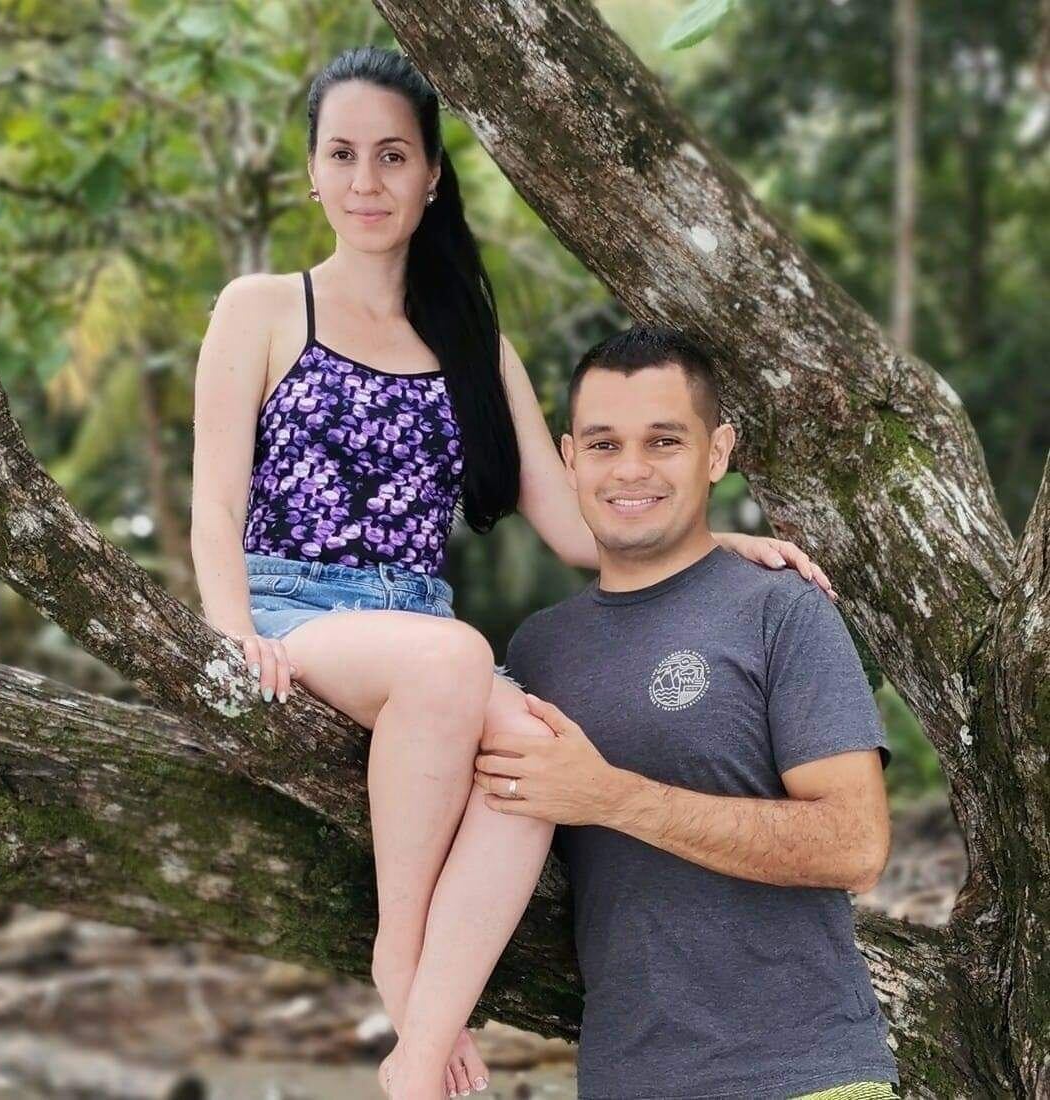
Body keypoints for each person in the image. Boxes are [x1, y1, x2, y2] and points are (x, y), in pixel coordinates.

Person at [190, 46, 835, 1100]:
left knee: (537, 750)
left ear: (432, 174)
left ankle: (417, 1054)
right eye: (343, 155)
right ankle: (401, 955)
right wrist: (232, 634)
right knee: (455, 658)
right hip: (295, 610)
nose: (366, 182)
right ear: (311, 171)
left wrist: (723, 542)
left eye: (392, 156)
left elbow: (578, 527)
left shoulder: (471, 342)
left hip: (420, 636)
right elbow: (213, 501)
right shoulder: (261, 308)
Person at [479, 325, 901, 1099]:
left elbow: (856, 845)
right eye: (604, 445)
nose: (631, 469)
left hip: (805, 1078)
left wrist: (610, 796)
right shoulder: (538, 651)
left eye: (664, 440)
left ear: (717, 452)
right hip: (624, 1079)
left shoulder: (781, 611)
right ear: (570, 459)